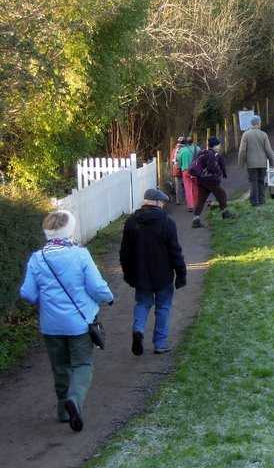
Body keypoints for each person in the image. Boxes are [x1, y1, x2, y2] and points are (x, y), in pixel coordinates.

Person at [19, 210, 114, 432]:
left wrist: (44, 300)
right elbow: (96, 287)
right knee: (82, 364)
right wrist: (108, 298)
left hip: (51, 325)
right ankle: (74, 399)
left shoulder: (37, 258)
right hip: (80, 323)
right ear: (70, 230)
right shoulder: (80, 255)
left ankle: (63, 411)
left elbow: (28, 293)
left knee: (60, 367)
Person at [120, 188, 186, 356]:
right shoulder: (167, 222)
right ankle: (160, 344)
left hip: (140, 274)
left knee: (142, 304)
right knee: (163, 307)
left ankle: (138, 330)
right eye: (162, 202)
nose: (163, 205)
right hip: (163, 274)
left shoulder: (132, 222)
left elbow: (124, 252)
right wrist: (181, 273)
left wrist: (127, 273)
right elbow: (174, 251)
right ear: (156, 202)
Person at [190, 136, 234, 228]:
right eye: (218, 145)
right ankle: (225, 213)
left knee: (201, 200)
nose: (219, 146)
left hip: (201, 180)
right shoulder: (212, 154)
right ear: (214, 145)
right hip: (210, 180)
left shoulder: (202, 152)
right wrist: (218, 172)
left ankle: (196, 220)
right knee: (222, 194)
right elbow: (212, 167)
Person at [238, 115, 274, 206]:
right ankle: (262, 200)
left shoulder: (246, 134)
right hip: (262, 163)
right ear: (258, 123)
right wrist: (271, 161)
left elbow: (242, 150)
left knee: (253, 182)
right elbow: (268, 150)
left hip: (251, 164)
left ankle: (254, 201)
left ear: (251, 123)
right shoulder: (263, 134)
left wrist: (241, 163)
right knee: (261, 181)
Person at [177, 136, 200, 212]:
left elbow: (178, 161)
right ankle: (197, 204)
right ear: (193, 142)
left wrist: (180, 166)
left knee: (188, 188)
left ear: (186, 142)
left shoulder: (182, 150)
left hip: (186, 171)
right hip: (196, 170)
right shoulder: (198, 148)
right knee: (196, 187)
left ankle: (190, 205)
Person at [171, 136, 186, 205]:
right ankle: (186, 199)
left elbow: (172, 160)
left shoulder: (174, 150)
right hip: (184, 168)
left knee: (177, 185)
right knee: (185, 184)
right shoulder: (185, 149)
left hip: (176, 169)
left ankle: (178, 200)